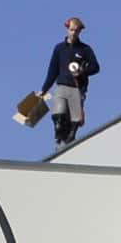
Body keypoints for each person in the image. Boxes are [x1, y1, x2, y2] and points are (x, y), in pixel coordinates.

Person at [42, 17, 100, 147]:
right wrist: (44, 89)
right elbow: (52, 70)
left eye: (76, 31)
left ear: (80, 32)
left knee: (74, 120)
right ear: (67, 29)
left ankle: (69, 140)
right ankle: (59, 136)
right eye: (72, 30)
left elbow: (96, 67)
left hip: (77, 88)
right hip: (62, 86)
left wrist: (82, 72)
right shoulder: (59, 48)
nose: (74, 33)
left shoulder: (85, 49)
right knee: (59, 115)